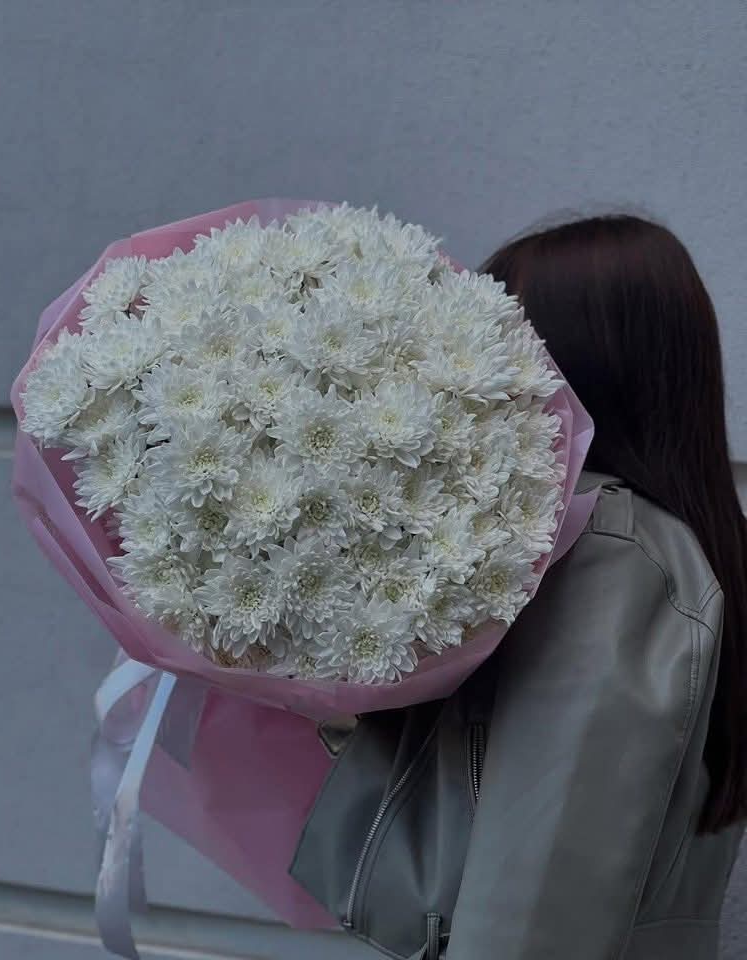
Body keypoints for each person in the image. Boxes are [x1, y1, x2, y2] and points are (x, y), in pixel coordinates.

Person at [290, 213, 747, 959]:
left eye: (501, 334)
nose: (470, 364)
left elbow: (538, 906)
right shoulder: (655, 543)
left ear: (578, 360)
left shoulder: (612, 556)